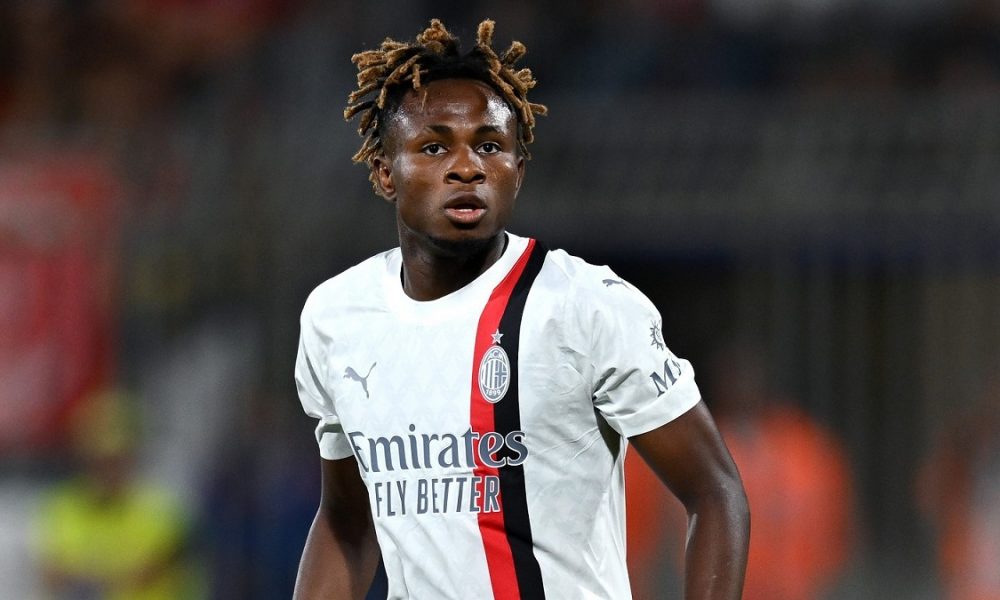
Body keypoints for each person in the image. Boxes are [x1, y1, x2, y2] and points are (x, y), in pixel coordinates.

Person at [293, 19, 749, 600]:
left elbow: (714, 492)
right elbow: (347, 523)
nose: (467, 167)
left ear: (518, 171)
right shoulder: (337, 318)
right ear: (385, 172)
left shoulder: (586, 307)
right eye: (434, 147)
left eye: (489, 146)